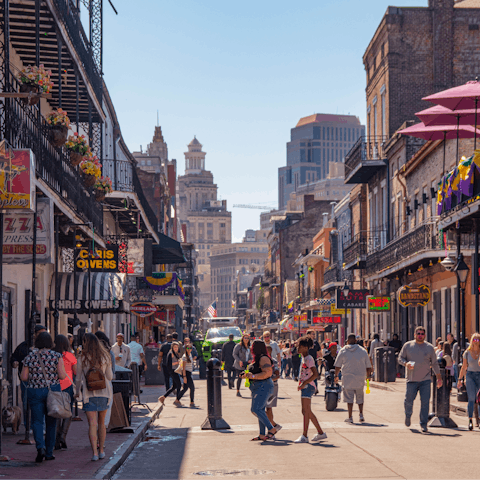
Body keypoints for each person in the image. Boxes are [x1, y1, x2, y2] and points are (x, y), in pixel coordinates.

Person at [20, 331, 67, 463]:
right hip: (53, 391)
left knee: (37, 421)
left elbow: (23, 377)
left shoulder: (30, 357)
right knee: (51, 422)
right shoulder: (56, 356)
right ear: (50, 343)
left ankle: (40, 448)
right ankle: (49, 452)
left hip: (35, 391)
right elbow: (62, 375)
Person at [75, 333, 113, 461]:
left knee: (92, 424)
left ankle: (94, 453)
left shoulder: (82, 357)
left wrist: (76, 392)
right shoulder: (105, 356)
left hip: (88, 394)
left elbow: (78, 378)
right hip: (104, 393)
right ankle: (102, 450)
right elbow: (110, 377)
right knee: (102, 423)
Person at [398, 326, 442, 433]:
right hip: (411, 379)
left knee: (425, 403)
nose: (420, 335)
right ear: (414, 335)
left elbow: (435, 364)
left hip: (425, 380)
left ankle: (423, 424)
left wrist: (439, 378)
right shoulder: (408, 346)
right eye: (418, 333)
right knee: (408, 401)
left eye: (422, 334)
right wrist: (406, 363)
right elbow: (400, 358)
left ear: (425, 335)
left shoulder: (429, 347)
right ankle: (408, 415)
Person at [241, 340, 281, 441]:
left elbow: (267, 373)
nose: (250, 348)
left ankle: (272, 429)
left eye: (252, 346)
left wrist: (253, 376)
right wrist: (246, 374)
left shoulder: (264, 358)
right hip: (258, 387)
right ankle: (262, 434)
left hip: (264, 386)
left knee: (256, 409)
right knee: (261, 410)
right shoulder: (257, 359)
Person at [11, 324, 47, 428]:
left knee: (41, 404)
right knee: (27, 403)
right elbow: (14, 357)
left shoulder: (46, 347)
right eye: (41, 333)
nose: (42, 335)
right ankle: (28, 425)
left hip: (41, 381)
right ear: (34, 334)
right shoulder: (23, 346)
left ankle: (40, 425)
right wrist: (14, 363)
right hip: (26, 381)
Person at [294, 336, 326, 443]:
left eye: (299, 346)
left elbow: (315, 374)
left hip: (308, 386)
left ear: (304, 347)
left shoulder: (309, 359)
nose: (297, 347)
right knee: (306, 411)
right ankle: (320, 433)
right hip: (305, 386)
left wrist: (305, 383)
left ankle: (305, 435)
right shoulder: (304, 358)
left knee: (306, 411)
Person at [334, 334, 372, 423]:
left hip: (348, 378)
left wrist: (336, 375)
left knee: (349, 399)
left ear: (347, 341)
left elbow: (337, 365)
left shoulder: (343, 350)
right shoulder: (363, 351)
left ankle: (350, 417)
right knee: (360, 397)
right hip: (360, 377)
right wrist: (368, 376)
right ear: (355, 341)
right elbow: (368, 365)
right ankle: (361, 414)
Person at [54, 334, 77, 450]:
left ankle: (56, 438)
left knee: (57, 411)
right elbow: (76, 371)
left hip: (56, 386)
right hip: (68, 386)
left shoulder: (53, 355)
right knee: (68, 412)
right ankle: (63, 436)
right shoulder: (69, 355)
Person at [458, 332, 480, 431]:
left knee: (479, 399)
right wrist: (460, 379)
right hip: (470, 375)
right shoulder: (467, 352)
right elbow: (464, 367)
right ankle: (470, 420)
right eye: (474, 339)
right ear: (471, 340)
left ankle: (478, 420)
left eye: (478, 339)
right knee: (471, 398)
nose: (476, 341)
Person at [95, 331, 115, 429]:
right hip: (106, 384)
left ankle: (94, 441)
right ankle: (101, 438)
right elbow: (112, 373)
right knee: (104, 415)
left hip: (91, 385)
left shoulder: (88, 354)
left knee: (93, 417)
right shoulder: (109, 353)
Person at [158, 342, 183, 407]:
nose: (176, 348)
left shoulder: (175, 353)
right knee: (179, 385)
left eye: (177, 347)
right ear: (172, 347)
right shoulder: (171, 353)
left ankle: (163, 397)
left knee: (174, 386)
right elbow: (169, 364)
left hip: (175, 371)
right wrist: (177, 362)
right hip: (173, 371)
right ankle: (177, 400)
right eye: (175, 347)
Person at [265, 345, 281, 433]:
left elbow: (278, 375)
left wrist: (269, 380)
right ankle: (273, 425)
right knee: (262, 408)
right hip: (264, 386)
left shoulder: (273, 361)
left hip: (272, 386)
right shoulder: (262, 361)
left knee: (269, 408)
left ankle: (271, 428)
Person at [178, 342, 195, 407]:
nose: (190, 349)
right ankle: (192, 402)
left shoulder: (190, 355)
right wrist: (184, 377)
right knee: (192, 388)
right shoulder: (185, 356)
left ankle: (177, 400)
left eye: (191, 348)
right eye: (188, 348)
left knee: (185, 388)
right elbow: (184, 368)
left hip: (189, 373)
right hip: (186, 374)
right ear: (186, 348)